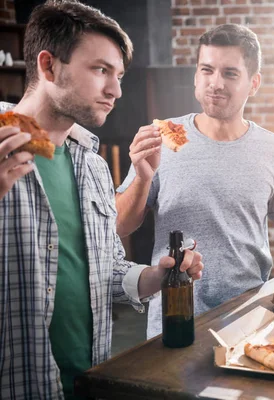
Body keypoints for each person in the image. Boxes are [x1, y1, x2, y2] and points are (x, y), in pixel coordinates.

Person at [0, 2, 203, 399]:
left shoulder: (91, 166)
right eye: (100, 70)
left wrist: (156, 278)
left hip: (90, 383)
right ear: (49, 66)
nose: (116, 90)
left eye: (119, 75)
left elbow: (104, 272)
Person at [115, 24, 274, 339]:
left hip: (249, 319)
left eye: (230, 73)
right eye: (207, 70)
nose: (215, 83)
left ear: (253, 83)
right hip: (174, 318)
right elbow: (120, 226)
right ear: (196, 76)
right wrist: (141, 176)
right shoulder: (162, 136)